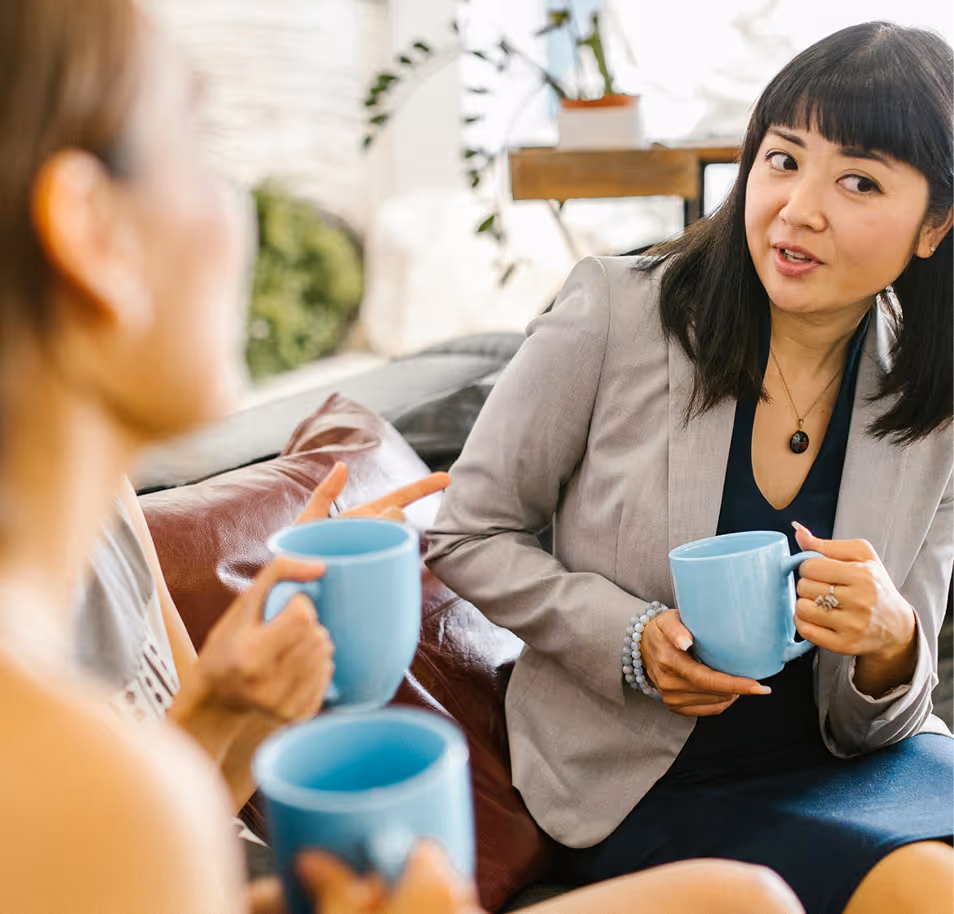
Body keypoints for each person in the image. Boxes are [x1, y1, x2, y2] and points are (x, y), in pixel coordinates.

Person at [0, 0, 802, 911]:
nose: (248, 217)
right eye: (199, 142)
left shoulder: (96, 512)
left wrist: (227, 708)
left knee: (742, 900)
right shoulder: (76, 782)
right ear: (91, 231)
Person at [427, 20, 954, 914]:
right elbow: (467, 531)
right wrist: (630, 642)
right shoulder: (613, 314)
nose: (798, 208)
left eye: (859, 179)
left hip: (857, 765)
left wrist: (892, 641)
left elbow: (886, 711)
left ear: (934, 226)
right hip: (637, 775)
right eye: (782, 160)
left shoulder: (930, 402)